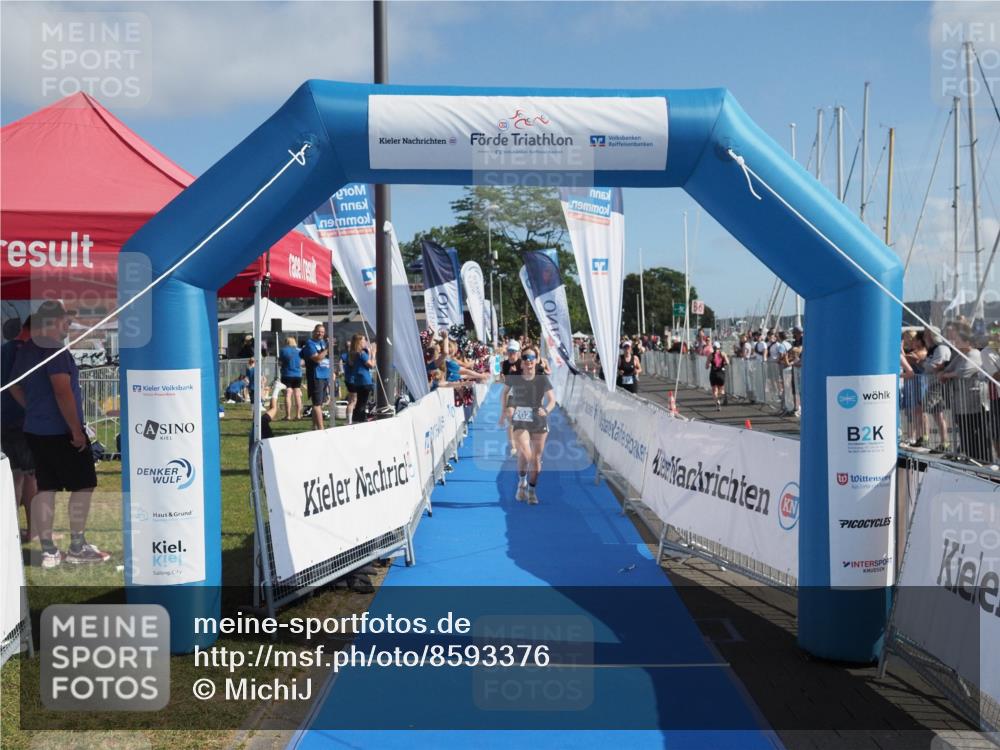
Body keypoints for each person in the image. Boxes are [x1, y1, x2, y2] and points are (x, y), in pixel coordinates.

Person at [9, 301, 109, 568]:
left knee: (45, 488)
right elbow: (61, 389)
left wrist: (33, 409)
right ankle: (77, 545)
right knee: (83, 485)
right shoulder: (55, 350)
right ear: (53, 322)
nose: (69, 325)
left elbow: (13, 386)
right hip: (60, 431)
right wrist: (76, 430)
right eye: (66, 321)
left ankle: (48, 551)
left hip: (35, 429)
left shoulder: (29, 349)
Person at [503, 347, 555, 505]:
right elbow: (506, 394)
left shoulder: (542, 378)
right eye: (525, 357)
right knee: (525, 455)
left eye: (532, 357)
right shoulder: (515, 377)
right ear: (521, 362)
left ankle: (532, 490)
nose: (529, 360)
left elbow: (552, 400)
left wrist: (546, 409)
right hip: (521, 418)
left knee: (536, 461)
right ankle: (522, 482)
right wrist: (508, 409)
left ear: (536, 360)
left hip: (538, 418)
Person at [1, 317, 37, 542]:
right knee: (31, 477)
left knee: (14, 476)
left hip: (4, 421)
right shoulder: (27, 352)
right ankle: (33, 531)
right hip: (24, 421)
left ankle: (10, 533)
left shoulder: (3, 351)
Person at [302, 324, 332, 431]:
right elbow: (317, 359)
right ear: (314, 331)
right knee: (317, 404)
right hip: (316, 376)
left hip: (324, 375)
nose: (320, 334)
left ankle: (314, 427)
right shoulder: (310, 344)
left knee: (320, 404)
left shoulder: (323, 343)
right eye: (318, 331)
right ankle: (321, 428)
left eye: (323, 332)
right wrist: (327, 349)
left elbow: (326, 360)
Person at [498, 340, 522, 456]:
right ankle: (513, 447)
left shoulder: (523, 364)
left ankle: (521, 443)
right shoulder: (505, 364)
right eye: (509, 351)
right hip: (511, 393)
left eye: (513, 351)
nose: (511, 354)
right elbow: (506, 382)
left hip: (524, 394)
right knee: (511, 417)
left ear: (518, 352)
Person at [348, 333, 376, 425]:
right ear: (359, 342)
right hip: (365, 380)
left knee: (360, 401)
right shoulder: (362, 353)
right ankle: (360, 419)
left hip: (358, 381)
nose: (366, 342)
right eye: (364, 340)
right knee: (362, 402)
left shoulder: (353, 353)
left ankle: (356, 419)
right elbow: (371, 365)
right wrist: (373, 354)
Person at [278, 336, 303, 420]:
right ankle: (298, 415)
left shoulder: (283, 350)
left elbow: (280, 362)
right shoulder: (299, 350)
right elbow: (303, 361)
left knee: (288, 394)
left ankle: (288, 415)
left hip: (287, 374)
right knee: (297, 395)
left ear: (287, 342)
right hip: (298, 374)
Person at [706, 341, 729, 410]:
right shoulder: (723, 354)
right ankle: (722, 395)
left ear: (713, 348)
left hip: (713, 374)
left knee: (714, 391)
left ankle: (717, 402)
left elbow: (706, 366)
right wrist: (723, 363)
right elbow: (728, 362)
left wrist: (710, 364)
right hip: (721, 373)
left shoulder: (710, 355)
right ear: (719, 347)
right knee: (721, 389)